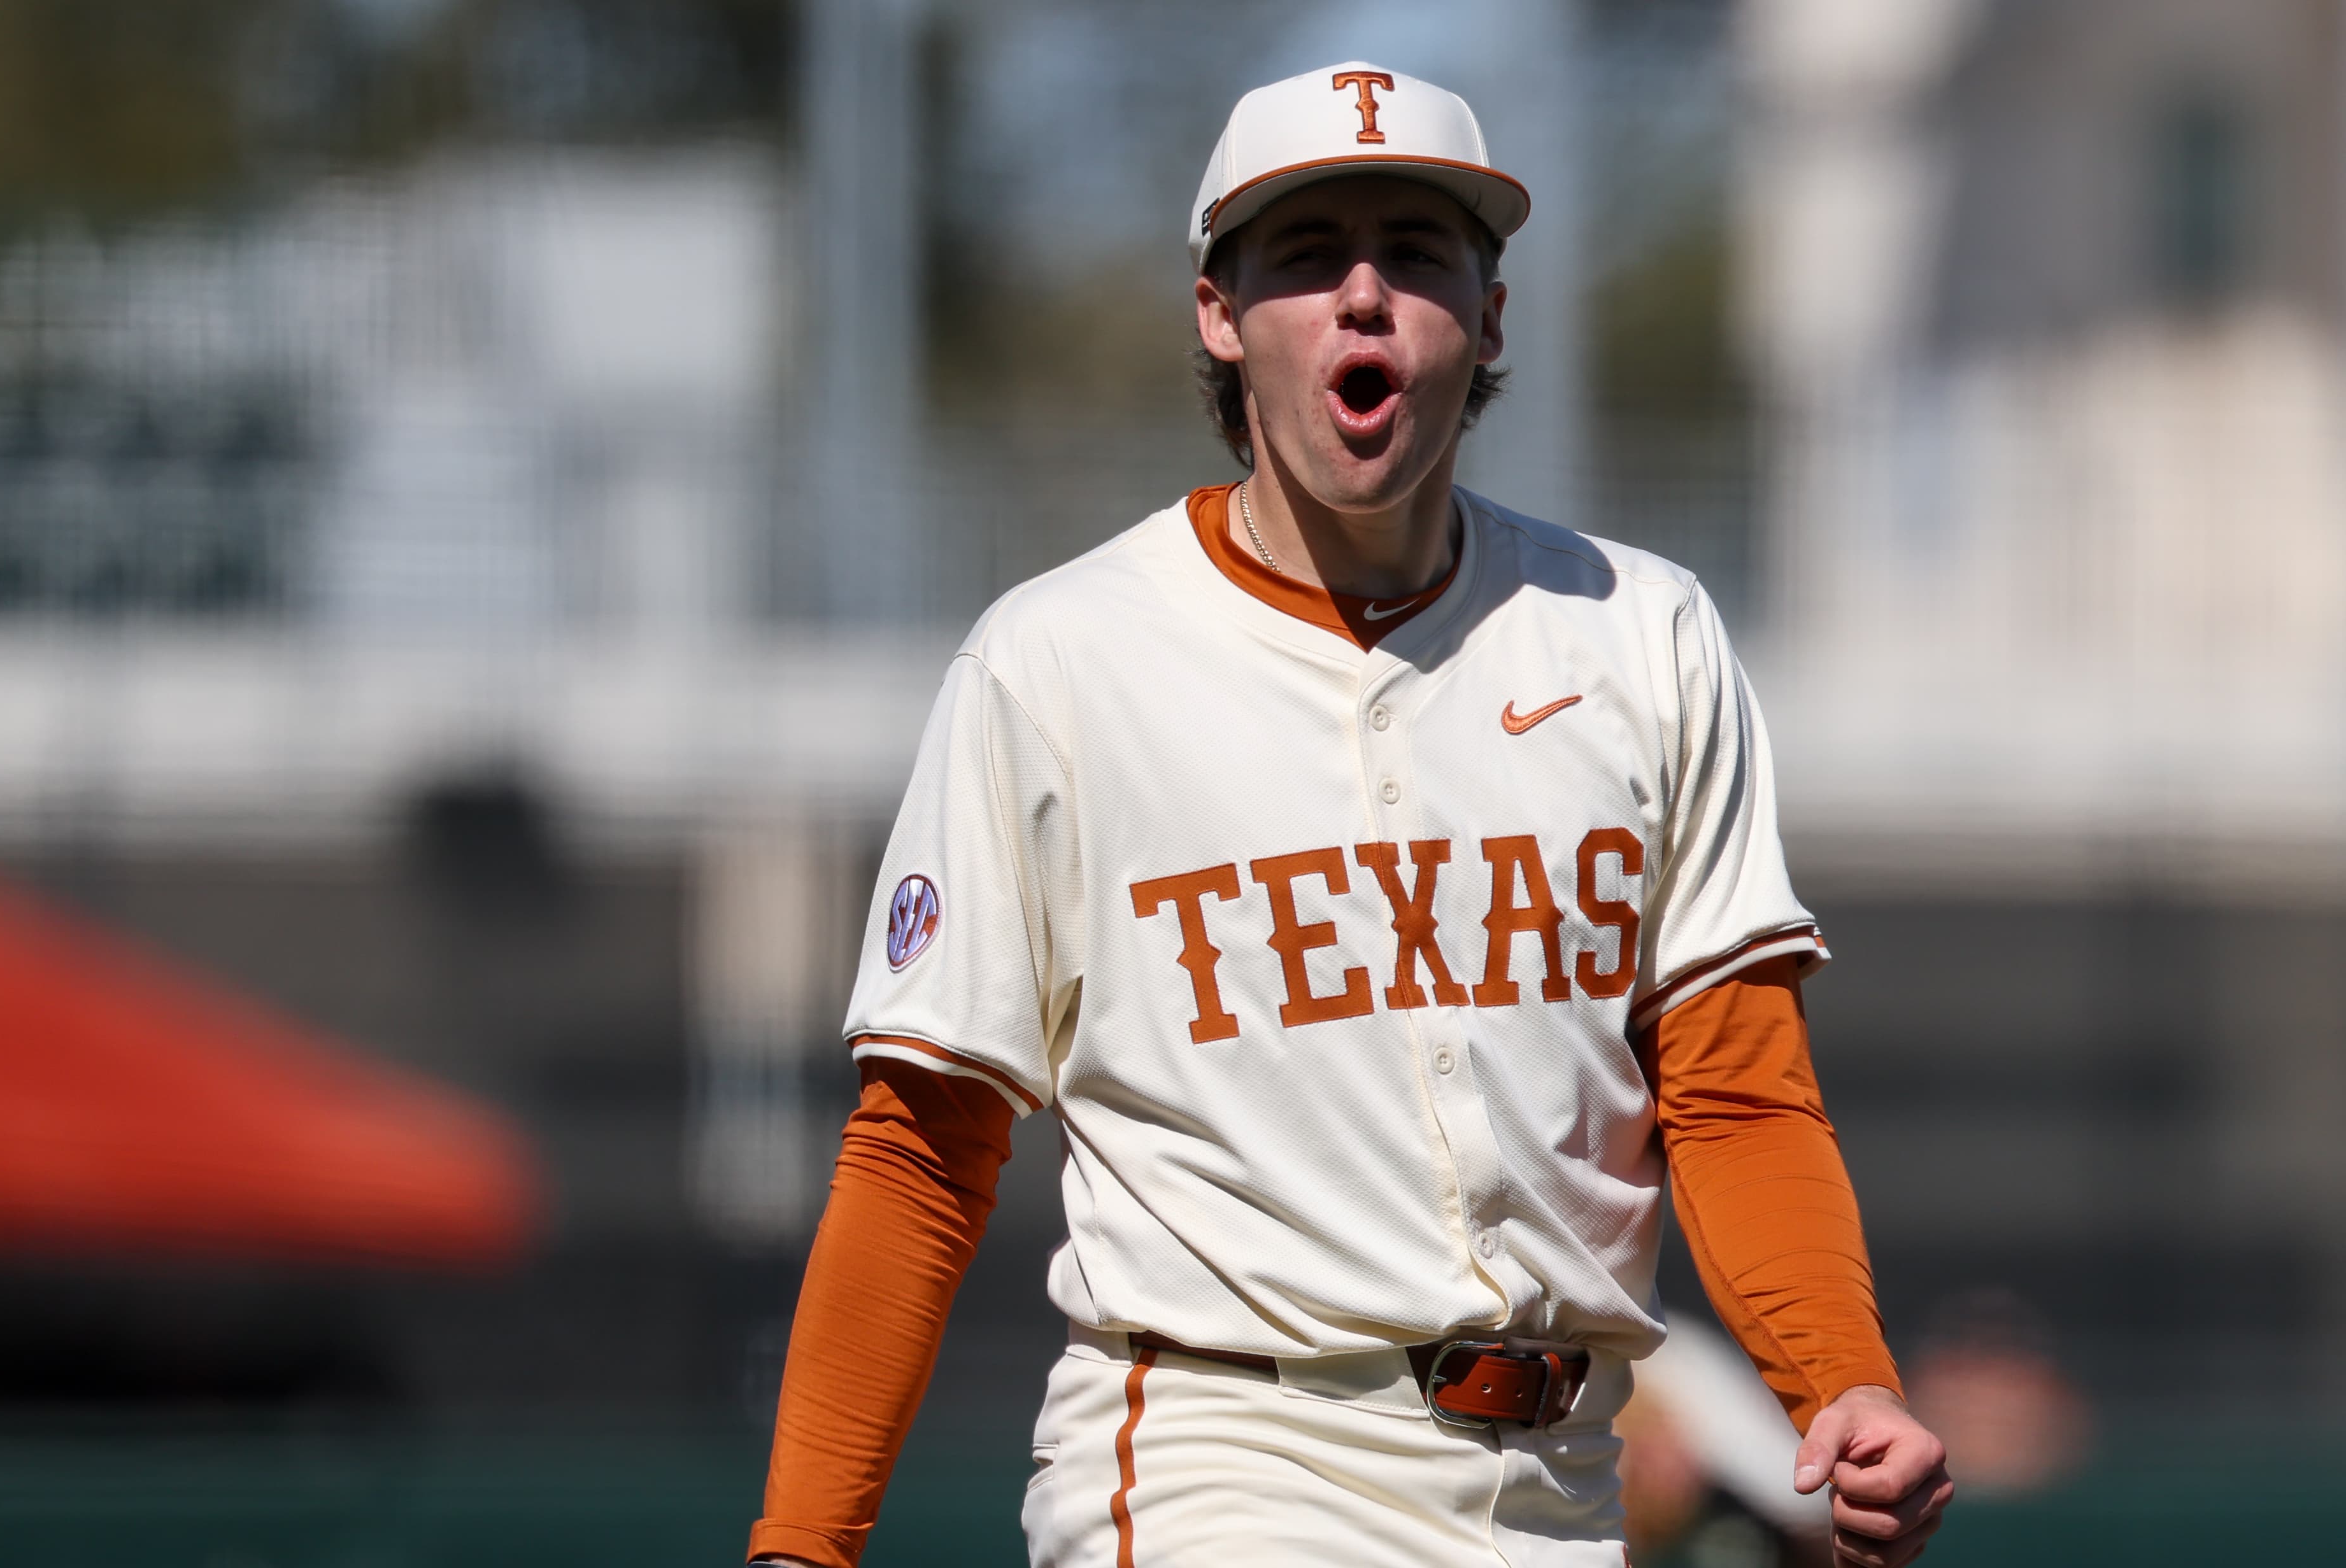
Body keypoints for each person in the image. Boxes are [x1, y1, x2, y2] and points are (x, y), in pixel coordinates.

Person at [748, 61, 1952, 1568]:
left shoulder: (1636, 633)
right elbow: (923, 1145)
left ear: (1491, 316)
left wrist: (1837, 1371)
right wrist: (802, 1540)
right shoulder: (1058, 661)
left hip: (1562, 1485)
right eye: (1308, 253)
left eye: (1418, 249)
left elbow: (1731, 1088)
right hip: (1220, 1456)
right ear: (1218, 313)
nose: (1364, 294)